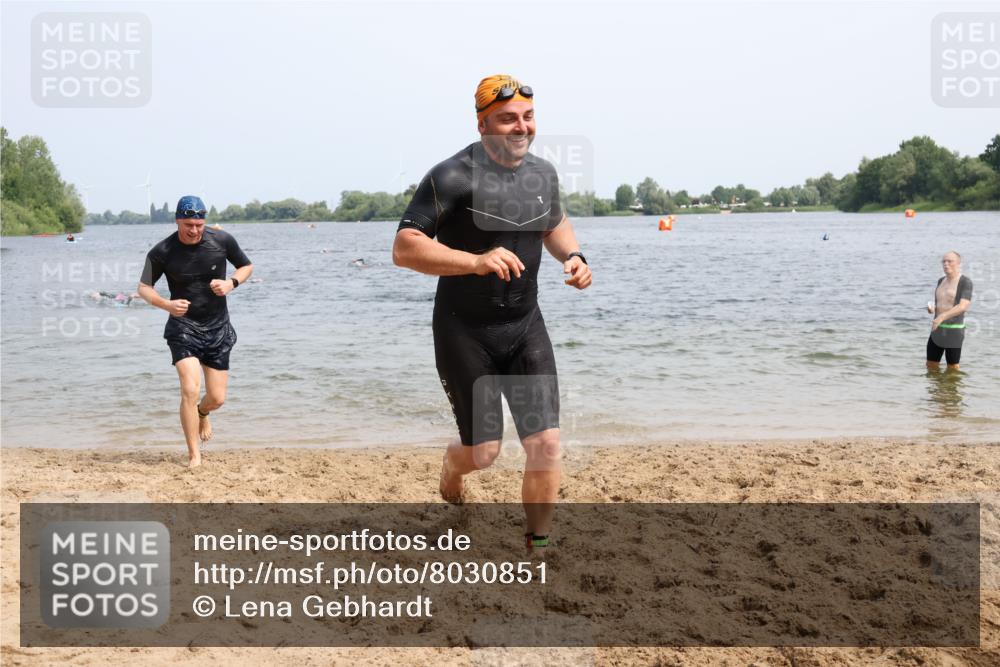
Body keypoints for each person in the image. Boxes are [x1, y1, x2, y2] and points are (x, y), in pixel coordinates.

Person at [392, 75, 593, 550]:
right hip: (466, 331)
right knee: (483, 453)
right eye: (507, 119)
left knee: (545, 444)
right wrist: (476, 261)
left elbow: (555, 220)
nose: (520, 127)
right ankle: (451, 468)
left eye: (527, 117)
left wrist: (575, 257)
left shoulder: (542, 174)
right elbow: (404, 248)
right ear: (482, 123)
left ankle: (537, 544)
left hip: (525, 325)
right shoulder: (452, 176)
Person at [137, 196, 253, 467]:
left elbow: (247, 266)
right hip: (183, 327)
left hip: (217, 327)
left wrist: (231, 283)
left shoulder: (222, 240)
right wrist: (167, 304)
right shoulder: (161, 251)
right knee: (189, 389)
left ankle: (203, 413)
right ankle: (194, 455)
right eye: (188, 224)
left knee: (217, 398)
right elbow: (143, 288)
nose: (194, 230)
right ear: (177, 220)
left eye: (199, 224)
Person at [926, 250, 973, 371]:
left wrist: (941, 317)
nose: (946, 264)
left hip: (954, 330)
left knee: (952, 369)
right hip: (937, 330)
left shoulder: (965, 282)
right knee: (931, 365)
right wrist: (933, 309)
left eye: (950, 261)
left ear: (958, 263)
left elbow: (963, 306)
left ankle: (952, 390)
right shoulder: (940, 281)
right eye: (943, 261)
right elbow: (942, 304)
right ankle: (936, 389)